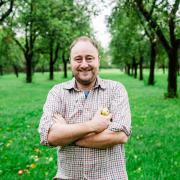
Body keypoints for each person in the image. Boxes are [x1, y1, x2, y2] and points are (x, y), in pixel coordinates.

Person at [38, 36, 132, 180]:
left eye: (89, 58)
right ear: (70, 61)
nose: (84, 64)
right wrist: (93, 126)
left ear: (98, 60)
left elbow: (120, 135)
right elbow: (49, 136)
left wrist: (68, 135)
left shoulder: (116, 90)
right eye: (78, 59)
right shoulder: (57, 92)